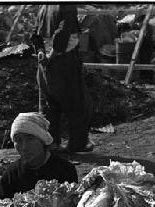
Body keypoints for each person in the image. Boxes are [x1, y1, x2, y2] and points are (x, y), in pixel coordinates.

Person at [31, 4, 94, 153]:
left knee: (49, 106)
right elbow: (62, 34)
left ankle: (51, 143)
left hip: (44, 65)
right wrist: (50, 56)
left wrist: (41, 51)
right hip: (63, 62)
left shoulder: (44, 6)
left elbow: (35, 32)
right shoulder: (67, 5)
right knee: (78, 105)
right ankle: (77, 144)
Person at [0, 112, 78, 198]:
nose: (24, 147)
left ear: (43, 140)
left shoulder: (65, 170)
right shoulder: (10, 175)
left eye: (30, 139)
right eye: (18, 140)